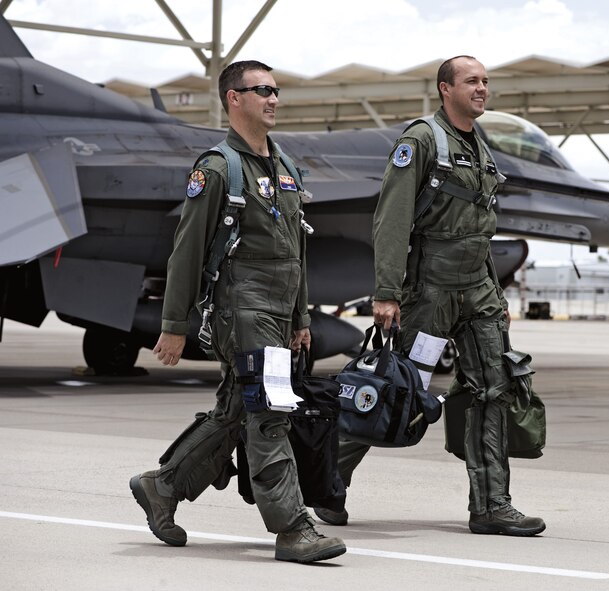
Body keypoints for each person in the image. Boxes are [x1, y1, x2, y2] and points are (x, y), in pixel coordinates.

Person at [316, 55, 545, 536]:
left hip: (477, 291)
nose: (482, 89)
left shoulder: (479, 144)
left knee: (494, 389)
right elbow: (392, 218)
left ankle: (491, 506)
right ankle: (322, 486)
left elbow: (480, 228)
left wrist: (495, 293)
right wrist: (386, 292)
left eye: (486, 82)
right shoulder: (421, 139)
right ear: (446, 89)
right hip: (430, 291)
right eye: (471, 82)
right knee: (394, 390)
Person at [129, 60, 346, 564]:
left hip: (276, 313)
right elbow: (185, 251)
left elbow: (297, 251)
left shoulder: (286, 167)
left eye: (275, 90)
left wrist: (302, 318)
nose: (272, 98)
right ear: (234, 98)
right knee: (269, 415)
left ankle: (162, 486)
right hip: (242, 310)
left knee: (235, 414)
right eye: (261, 90)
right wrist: (174, 326)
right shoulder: (217, 168)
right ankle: (292, 529)